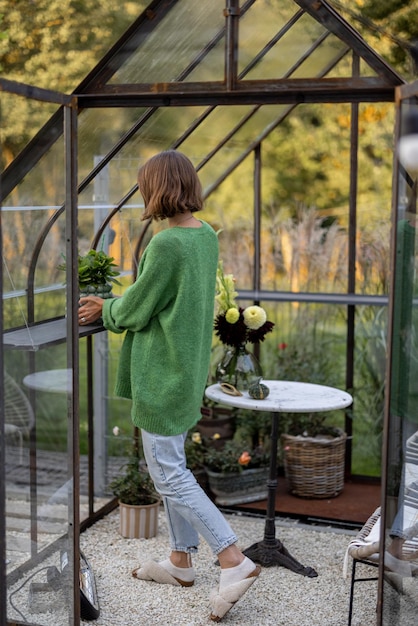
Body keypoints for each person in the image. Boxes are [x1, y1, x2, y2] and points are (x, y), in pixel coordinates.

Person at [78, 150, 261, 621]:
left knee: (168, 473)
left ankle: (232, 559)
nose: (142, 192)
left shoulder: (166, 244)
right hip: (186, 372)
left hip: (164, 376)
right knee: (173, 464)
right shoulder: (202, 237)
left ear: (157, 188)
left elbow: (138, 307)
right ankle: (180, 562)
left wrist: (106, 309)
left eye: (144, 184)